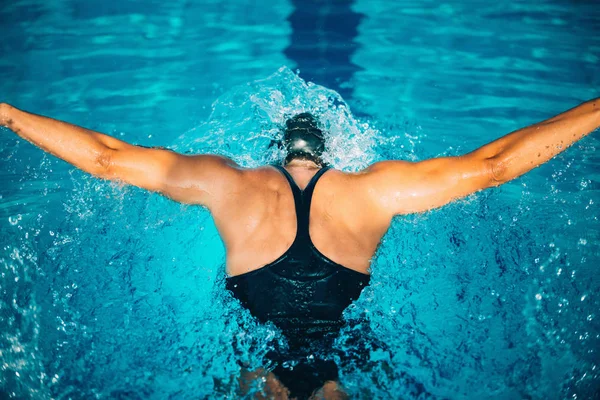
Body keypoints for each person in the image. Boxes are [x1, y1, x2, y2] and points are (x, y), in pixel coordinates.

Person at [1, 99, 599, 399]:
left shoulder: (227, 183)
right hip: (341, 337)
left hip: (253, 344)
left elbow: (105, 157)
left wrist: (5, 113)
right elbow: (493, 166)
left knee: (256, 377)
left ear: (275, 150)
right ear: (330, 152)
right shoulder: (374, 190)